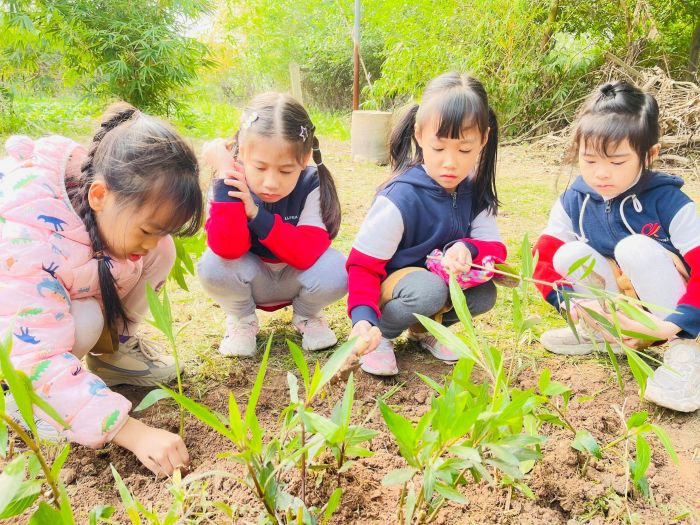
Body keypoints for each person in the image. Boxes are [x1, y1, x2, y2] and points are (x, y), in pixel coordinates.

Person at [0, 102, 204, 474]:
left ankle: (113, 358)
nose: (149, 241)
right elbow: (36, 357)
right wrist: (133, 431)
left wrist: (151, 238)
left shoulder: (104, 200)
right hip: (18, 349)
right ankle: (25, 403)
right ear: (99, 196)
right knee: (87, 319)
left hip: (65, 290)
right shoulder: (30, 239)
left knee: (162, 251)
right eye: (146, 229)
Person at [533, 81, 700, 412]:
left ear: (650, 154)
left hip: (670, 314)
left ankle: (685, 353)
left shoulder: (670, 202)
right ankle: (600, 335)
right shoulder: (573, 201)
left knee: (635, 247)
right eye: (590, 160)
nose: (601, 174)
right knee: (567, 254)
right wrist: (570, 306)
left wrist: (671, 326)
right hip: (618, 310)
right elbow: (542, 259)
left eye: (618, 162)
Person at [346, 72, 506, 376]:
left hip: (433, 286)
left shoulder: (476, 190)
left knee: (484, 292)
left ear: (483, 139)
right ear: (419, 135)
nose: (450, 162)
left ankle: (424, 331)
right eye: (439, 148)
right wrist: (363, 319)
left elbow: (495, 250)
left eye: (464, 150)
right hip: (393, 290)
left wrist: (467, 248)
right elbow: (362, 266)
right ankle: (382, 335)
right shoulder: (400, 198)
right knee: (429, 289)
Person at [198, 92, 347, 356]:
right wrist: (225, 178)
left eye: (285, 170)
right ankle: (242, 320)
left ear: (303, 161)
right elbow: (227, 249)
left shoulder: (313, 184)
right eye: (260, 167)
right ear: (241, 153)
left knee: (339, 269)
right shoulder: (228, 180)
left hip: (297, 276)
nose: (270, 182)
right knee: (211, 265)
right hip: (249, 277)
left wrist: (256, 214)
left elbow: (305, 253)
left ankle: (308, 316)